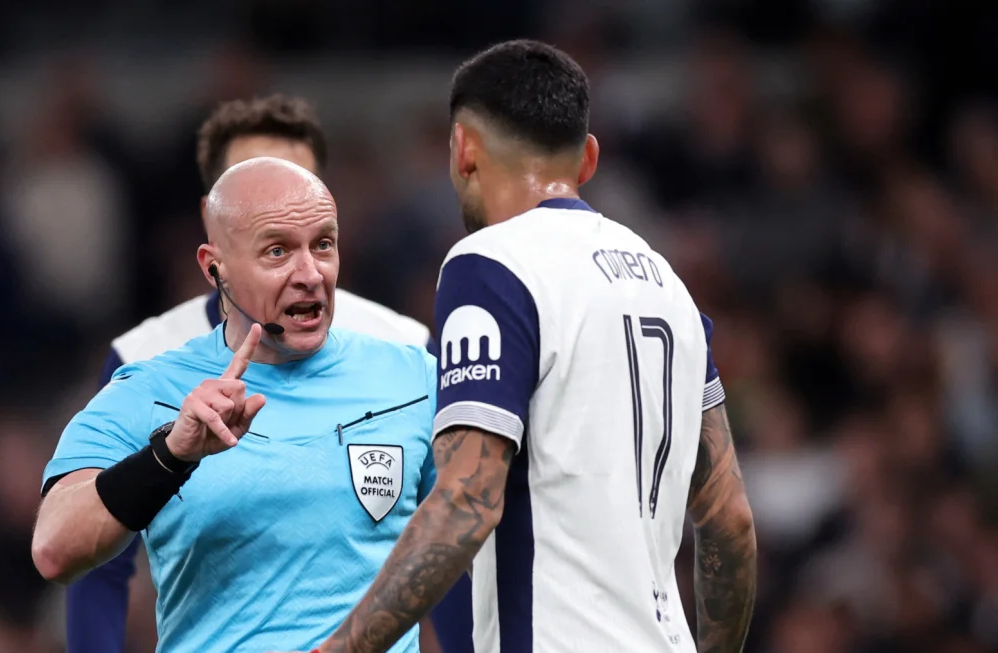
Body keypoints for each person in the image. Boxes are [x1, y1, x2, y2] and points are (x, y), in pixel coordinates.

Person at [292, 39, 758, 653]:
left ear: (463, 149)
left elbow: (467, 498)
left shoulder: (491, 264)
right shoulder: (669, 286)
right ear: (588, 159)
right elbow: (730, 521)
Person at [63, 95, 455, 653]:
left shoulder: (409, 354)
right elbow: (85, 557)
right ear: (213, 232)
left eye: (318, 232)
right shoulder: (143, 362)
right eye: (273, 239)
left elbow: (457, 539)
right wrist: (169, 455)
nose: (280, 196)